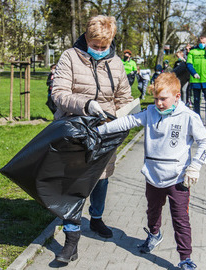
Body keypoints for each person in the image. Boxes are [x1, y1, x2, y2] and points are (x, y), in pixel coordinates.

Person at [97, 72, 206, 270]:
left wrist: (195, 166)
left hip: (178, 179)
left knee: (181, 219)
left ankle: (185, 258)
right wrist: (100, 130)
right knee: (152, 212)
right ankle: (154, 234)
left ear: (177, 96)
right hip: (153, 176)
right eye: (156, 98)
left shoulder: (189, 117)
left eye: (163, 99)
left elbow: (205, 142)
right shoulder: (150, 112)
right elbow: (128, 122)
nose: (159, 103)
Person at [51, 15, 133, 263]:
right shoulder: (70, 57)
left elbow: (125, 98)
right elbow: (59, 93)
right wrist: (87, 104)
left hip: (106, 130)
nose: (98, 50)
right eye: (94, 45)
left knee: (101, 178)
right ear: (86, 38)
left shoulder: (117, 63)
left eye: (103, 47)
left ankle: (96, 219)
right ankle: (71, 240)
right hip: (74, 128)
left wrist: (120, 117)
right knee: (73, 184)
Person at [187, 36, 206, 125]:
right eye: (201, 42)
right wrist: (194, 73)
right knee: (196, 100)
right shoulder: (192, 52)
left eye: (204, 42)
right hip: (196, 80)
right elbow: (189, 64)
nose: (202, 44)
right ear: (198, 42)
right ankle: (197, 118)